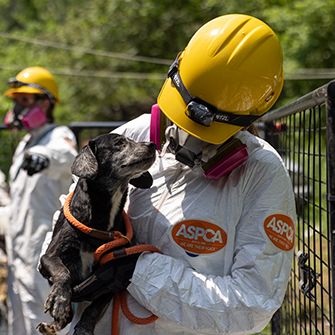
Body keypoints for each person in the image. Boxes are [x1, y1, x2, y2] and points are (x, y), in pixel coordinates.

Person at [48, 14, 296, 335]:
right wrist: (63, 273)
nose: (181, 136)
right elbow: (70, 212)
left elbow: (252, 305)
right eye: (181, 114)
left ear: (245, 119)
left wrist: (139, 272)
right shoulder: (139, 134)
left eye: (205, 131)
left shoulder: (260, 173)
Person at [3, 66, 78, 335]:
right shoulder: (25, 143)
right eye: (16, 101)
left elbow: (67, 156)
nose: (18, 108)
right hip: (18, 250)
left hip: (43, 251)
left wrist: (45, 157)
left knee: (43, 317)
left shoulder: (58, 134)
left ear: (45, 102)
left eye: (25, 101)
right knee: (18, 317)